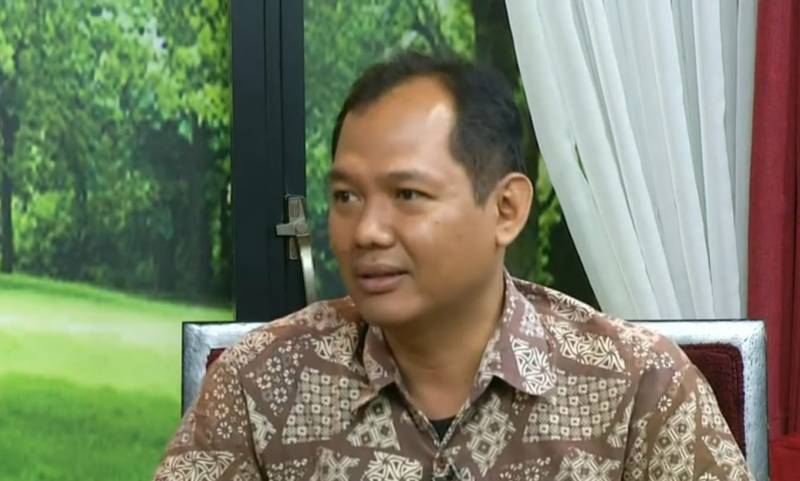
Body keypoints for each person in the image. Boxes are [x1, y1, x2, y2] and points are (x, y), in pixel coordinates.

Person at [153, 53, 753, 481]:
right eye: (346, 196)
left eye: (408, 195)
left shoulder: (639, 387)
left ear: (506, 209)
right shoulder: (261, 382)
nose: (366, 231)